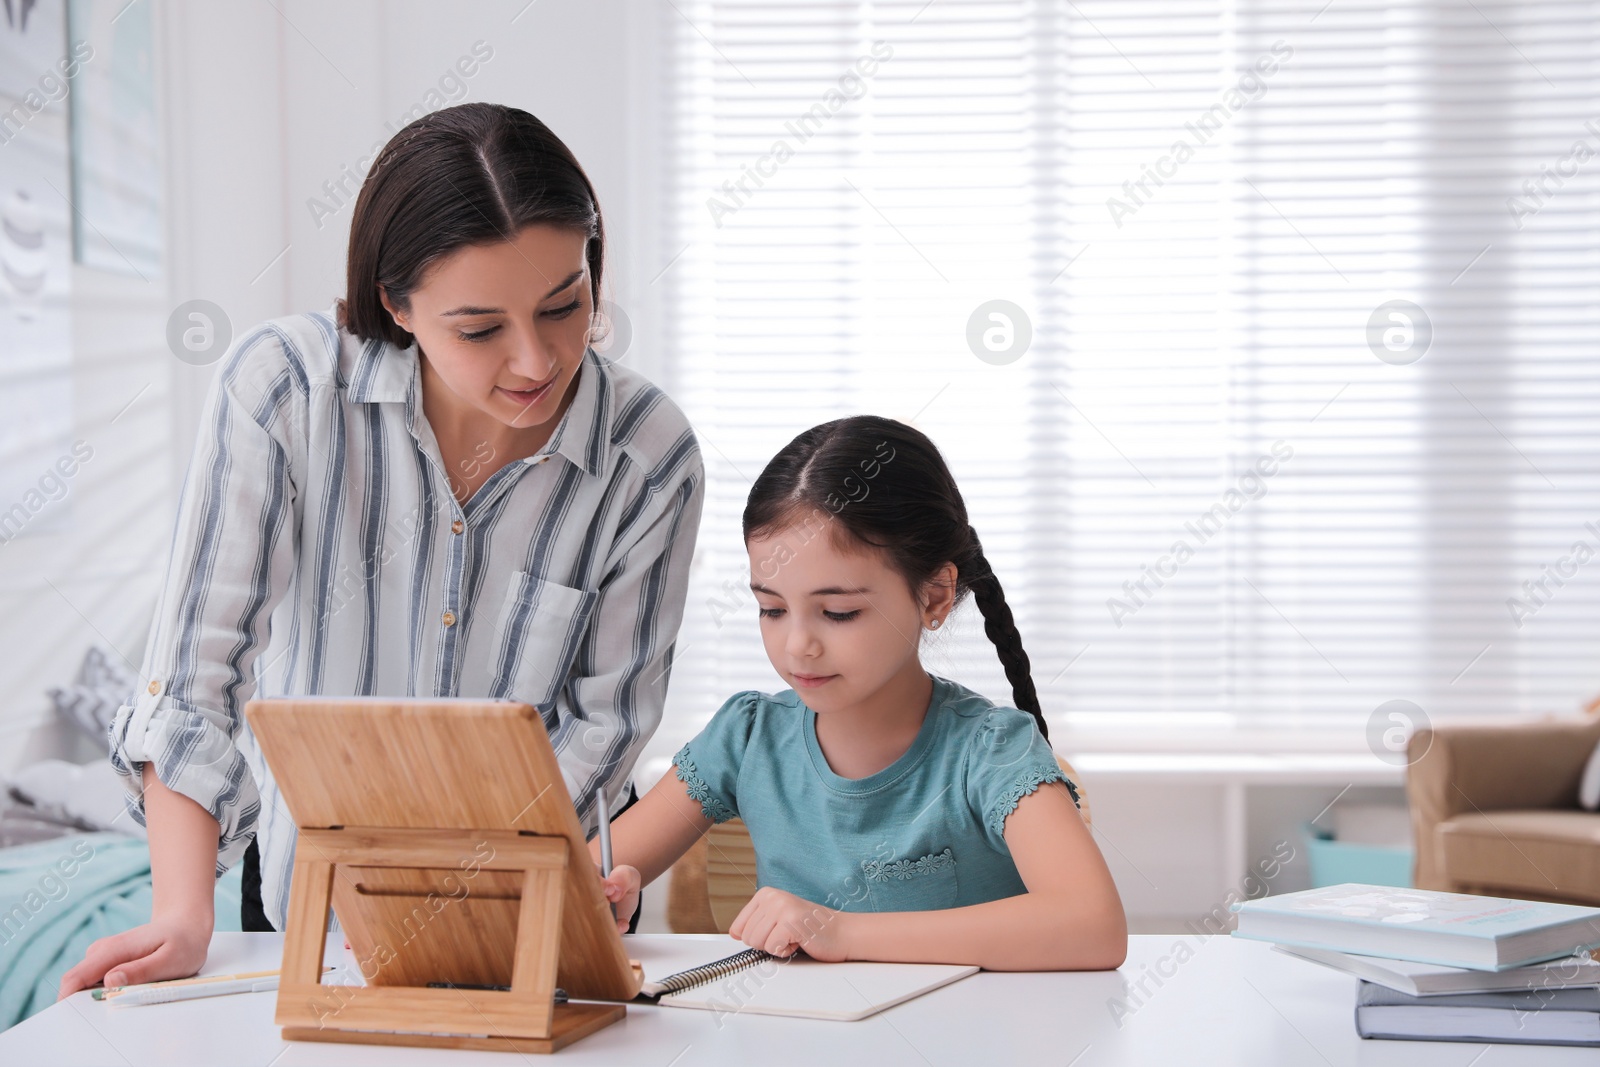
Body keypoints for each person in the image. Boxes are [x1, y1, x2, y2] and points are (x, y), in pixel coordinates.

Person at [58, 103, 703, 997]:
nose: (536, 361)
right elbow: (195, 677)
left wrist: (464, 907)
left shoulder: (648, 454)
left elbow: (604, 725)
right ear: (397, 303)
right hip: (300, 919)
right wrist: (180, 912)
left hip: (513, 928)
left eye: (566, 305)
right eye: (480, 328)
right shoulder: (284, 392)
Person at [590, 416, 1126, 970]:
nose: (798, 645)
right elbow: (573, 884)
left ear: (935, 596)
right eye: (771, 609)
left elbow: (1094, 928)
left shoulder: (992, 752)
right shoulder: (747, 736)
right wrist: (598, 897)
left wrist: (839, 932)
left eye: (839, 612)